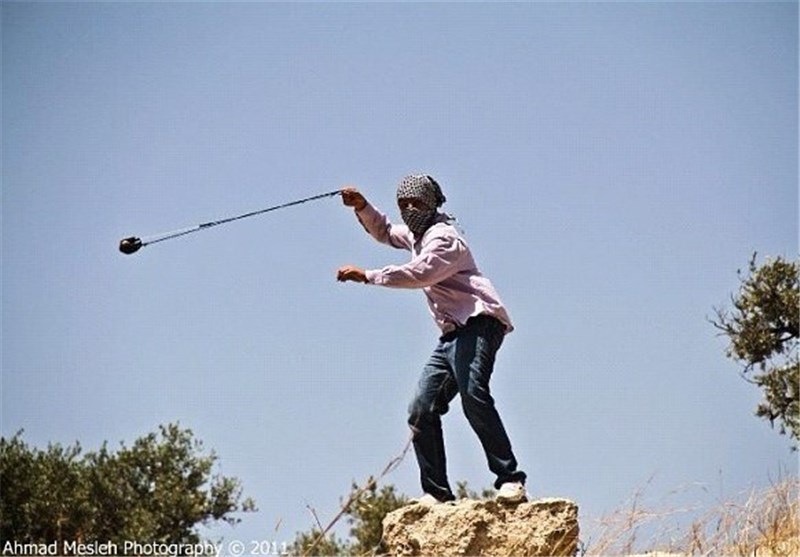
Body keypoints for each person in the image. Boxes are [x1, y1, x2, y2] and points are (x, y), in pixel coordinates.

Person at [336, 175, 527, 505]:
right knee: (421, 408)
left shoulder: (444, 239)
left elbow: (420, 273)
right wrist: (363, 206)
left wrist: (367, 275)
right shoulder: (417, 236)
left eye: (417, 203)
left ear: (432, 203)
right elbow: (385, 231)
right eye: (403, 204)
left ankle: (510, 479)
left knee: (473, 394)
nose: (410, 209)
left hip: (479, 322)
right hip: (452, 335)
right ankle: (437, 493)